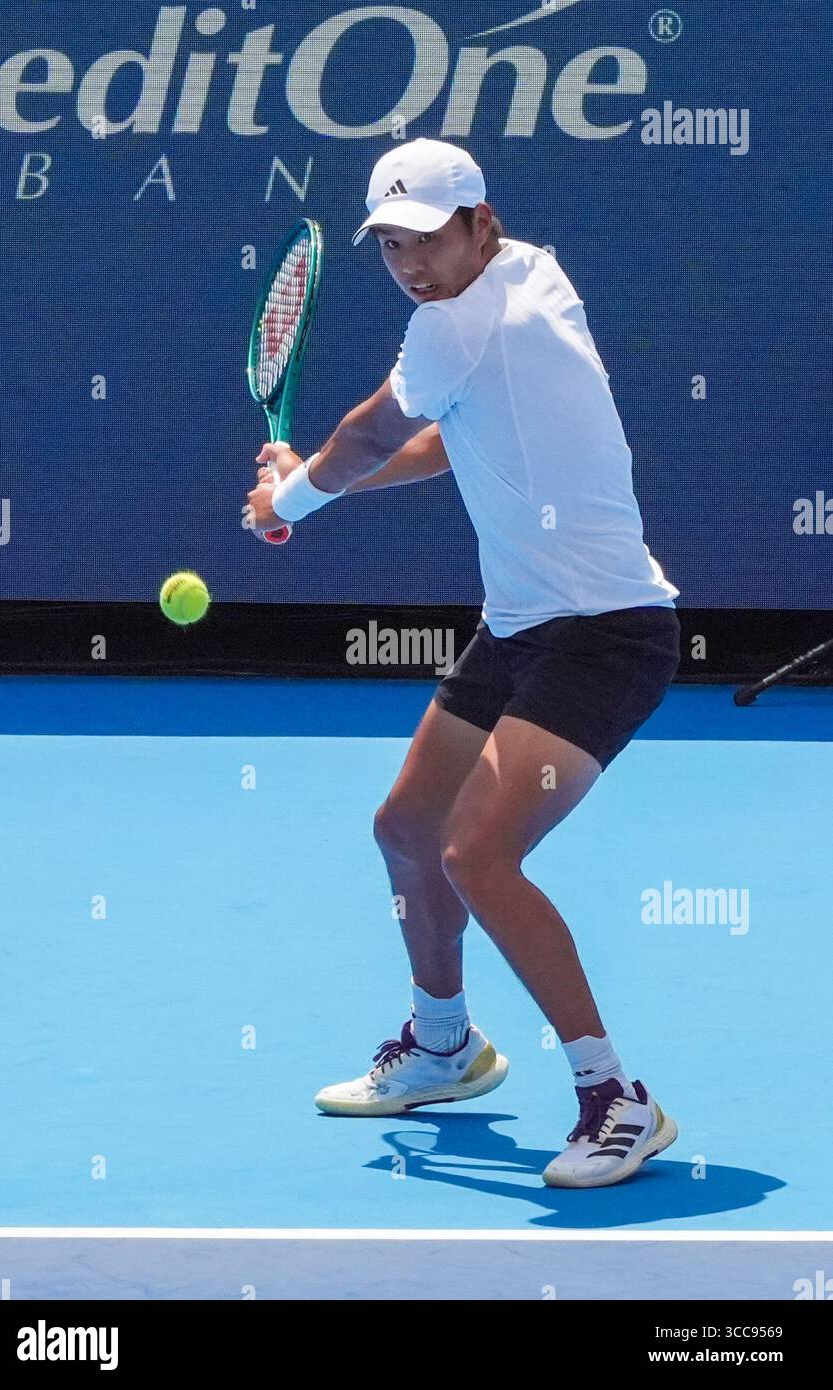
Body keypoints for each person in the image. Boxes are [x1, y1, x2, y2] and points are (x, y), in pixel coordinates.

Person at [247, 138, 681, 1189]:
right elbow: (450, 439)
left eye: (428, 239)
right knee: (404, 827)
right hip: (524, 621)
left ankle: (613, 1096)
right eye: (391, 246)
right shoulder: (528, 273)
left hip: (606, 630)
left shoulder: (463, 317)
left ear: (478, 222)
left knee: (476, 853)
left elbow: (364, 435)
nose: (410, 265)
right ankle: (444, 1046)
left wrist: (291, 496)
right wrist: (317, 482)